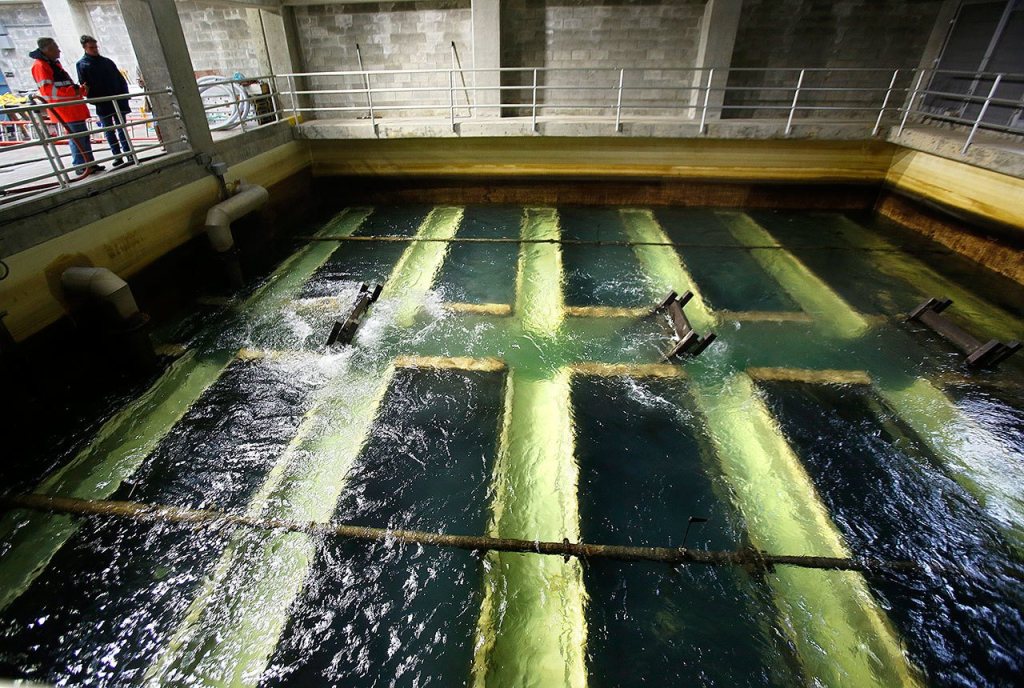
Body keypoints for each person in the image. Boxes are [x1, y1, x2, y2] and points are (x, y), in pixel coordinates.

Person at [29, 37, 102, 175]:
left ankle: (89, 164)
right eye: (56, 48)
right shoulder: (41, 66)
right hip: (65, 109)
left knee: (83, 136)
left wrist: (78, 90)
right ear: (48, 50)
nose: (59, 51)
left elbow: (63, 85)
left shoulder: (52, 64)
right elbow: (49, 91)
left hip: (72, 108)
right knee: (77, 138)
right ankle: (81, 166)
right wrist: (74, 91)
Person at [76, 35, 134, 167]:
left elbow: (120, 79)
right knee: (109, 130)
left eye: (96, 47)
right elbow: (84, 84)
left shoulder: (107, 62)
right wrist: (94, 99)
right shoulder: (83, 65)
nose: (95, 50)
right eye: (91, 47)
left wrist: (124, 95)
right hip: (103, 102)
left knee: (121, 128)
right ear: (85, 48)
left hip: (117, 100)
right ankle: (117, 155)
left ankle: (129, 153)